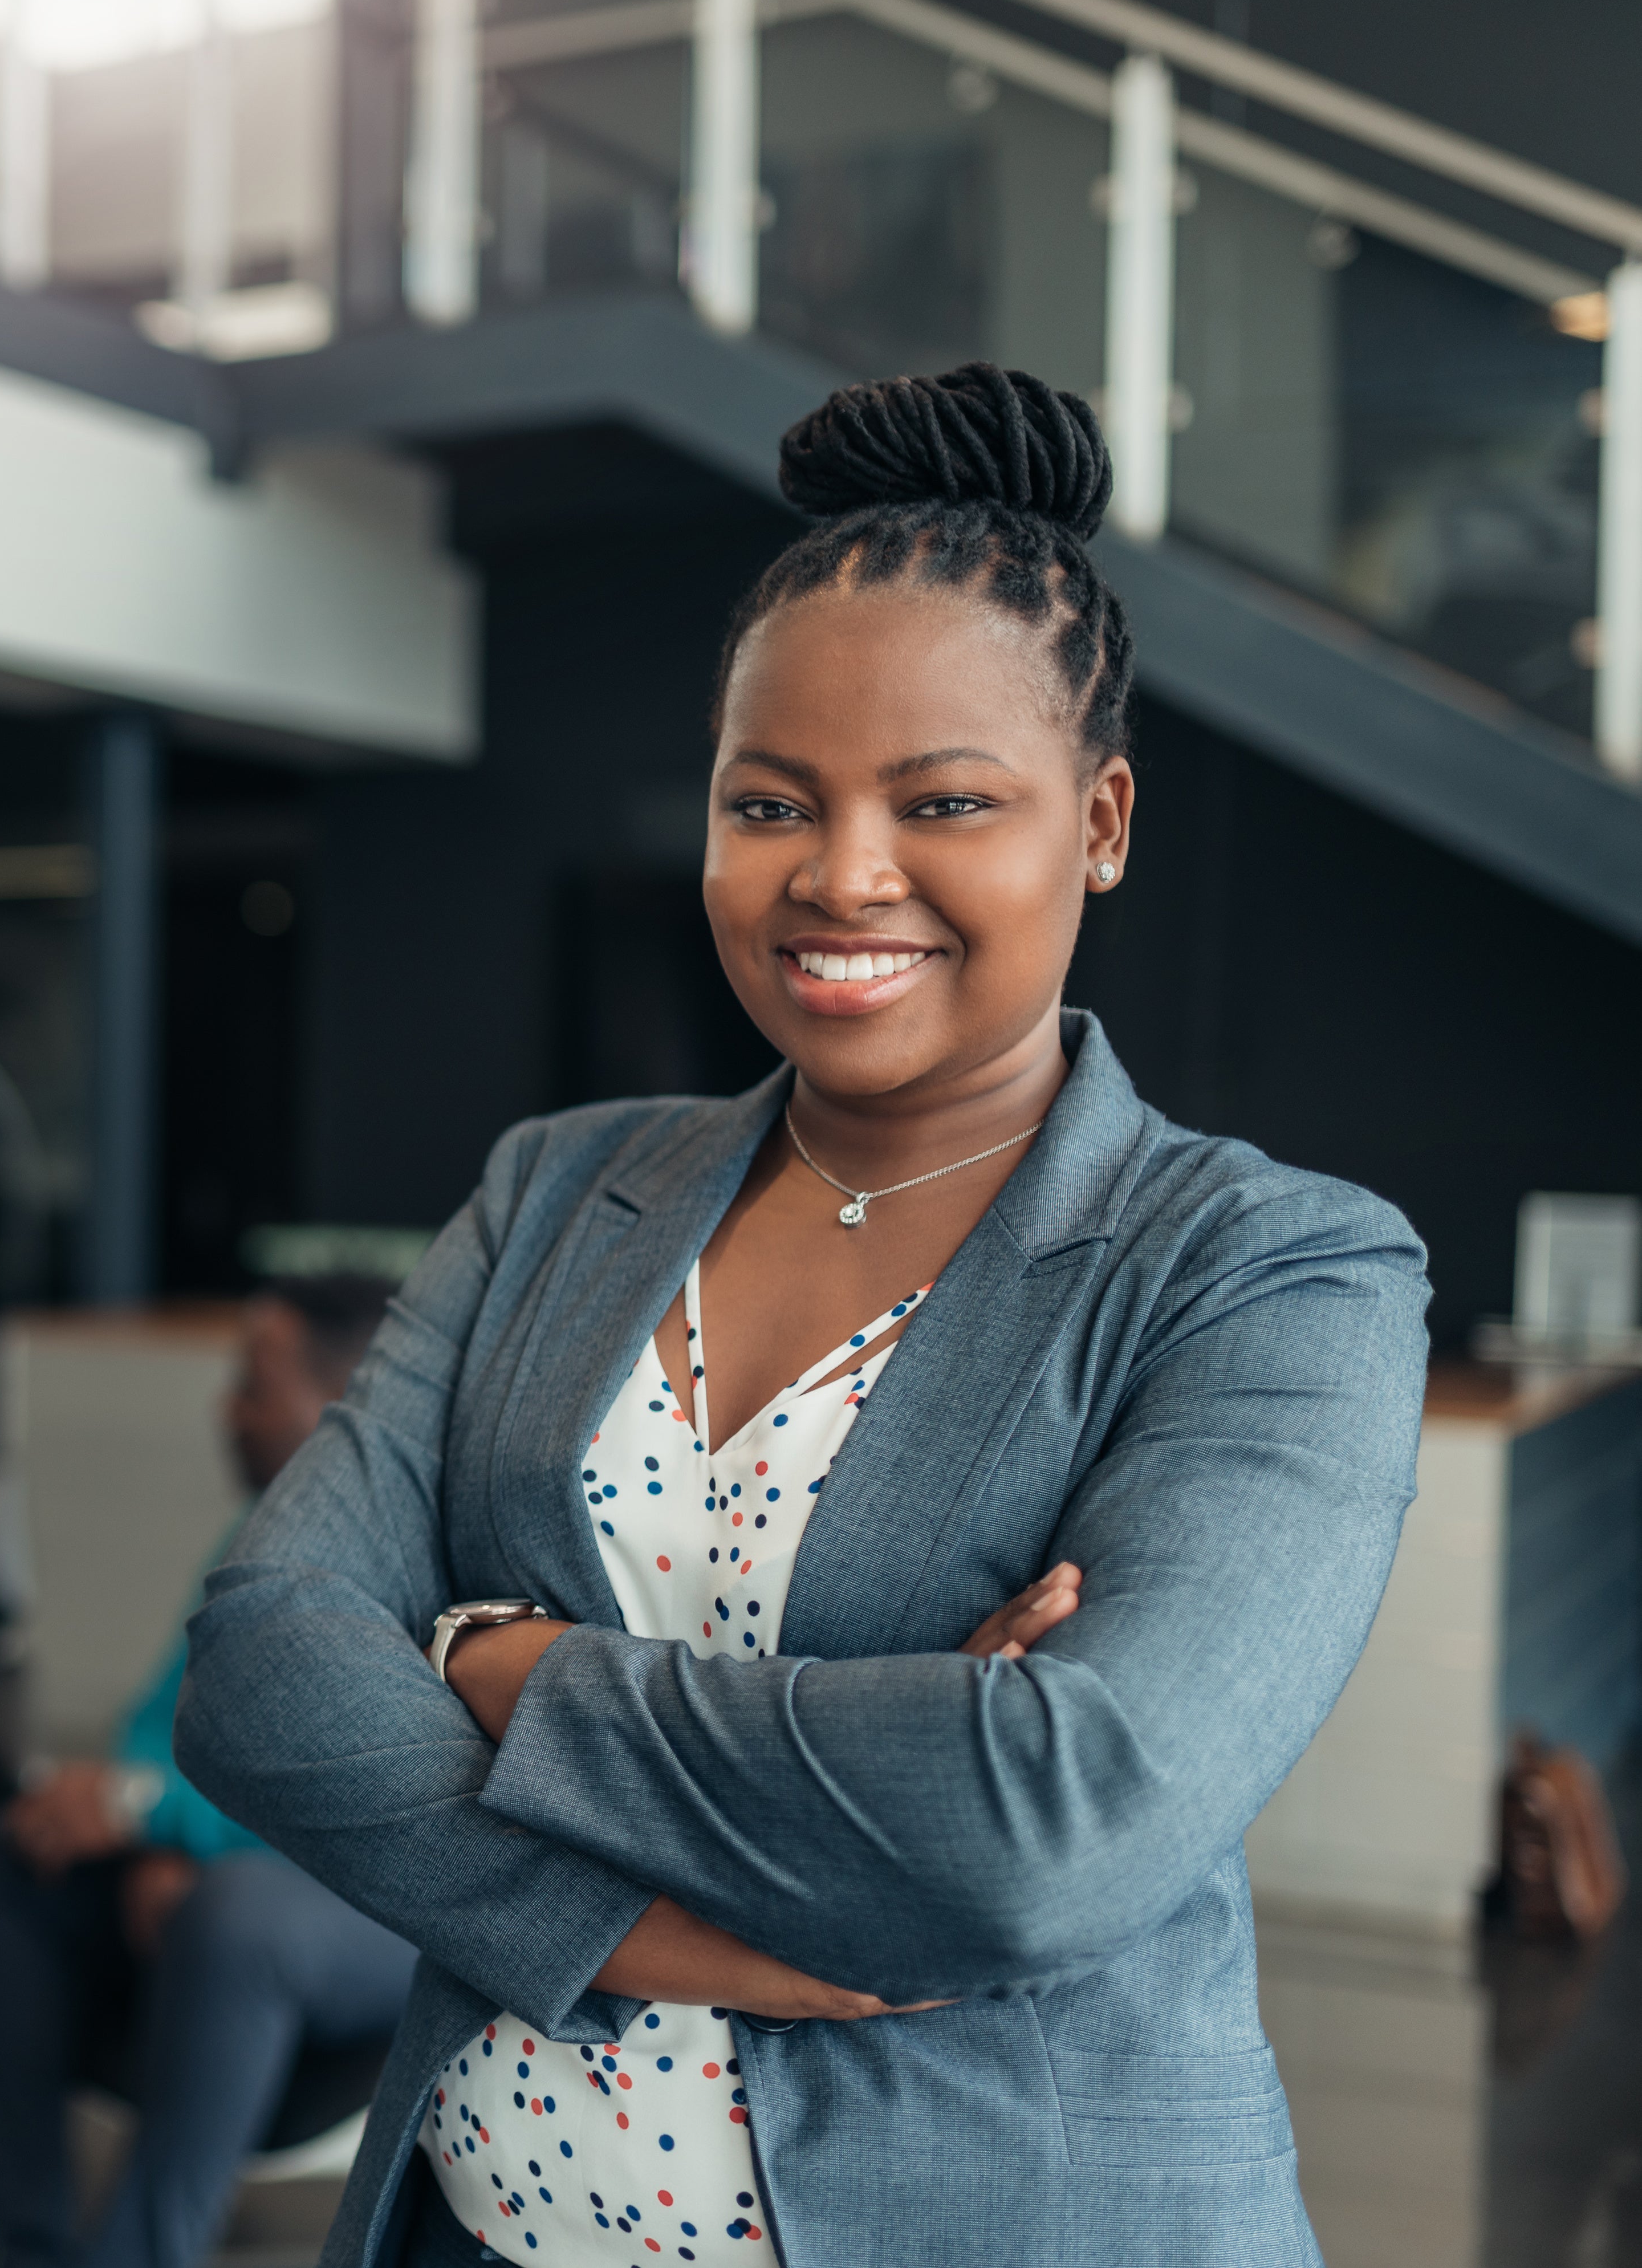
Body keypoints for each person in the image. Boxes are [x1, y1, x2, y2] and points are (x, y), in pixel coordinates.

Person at [173, 364, 1431, 2268]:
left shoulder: (1269, 1267)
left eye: (942, 802)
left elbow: (1047, 1828)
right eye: (772, 800)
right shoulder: (554, 1186)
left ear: (1096, 819)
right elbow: (259, 1665)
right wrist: (646, 1918)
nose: (840, 874)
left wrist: (499, 1669)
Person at [0, 1274, 420, 2268]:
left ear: (346, 1406)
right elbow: (152, 1719)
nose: (226, 1408)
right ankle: (24, 2240)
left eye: (252, 1384)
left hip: (388, 1910)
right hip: (228, 1865)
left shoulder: (430, 1559)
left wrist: (162, 1821)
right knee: (6, 1860)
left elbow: (369, 1793)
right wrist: (133, 1818)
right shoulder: (256, 1535)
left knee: (239, 1914)